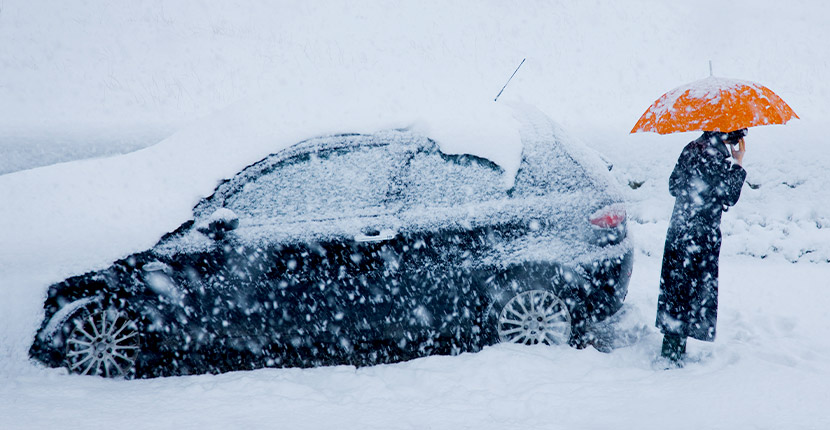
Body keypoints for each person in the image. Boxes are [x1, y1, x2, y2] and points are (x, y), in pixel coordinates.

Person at [656, 128, 748, 366]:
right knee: (693, 291)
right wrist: (737, 163)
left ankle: (672, 347)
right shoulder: (716, 156)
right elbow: (728, 195)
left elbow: (673, 186)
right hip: (701, 235)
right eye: (738, 134)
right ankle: (673, 356)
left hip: (679, 230)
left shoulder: (692, 147)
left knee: (676, 289)